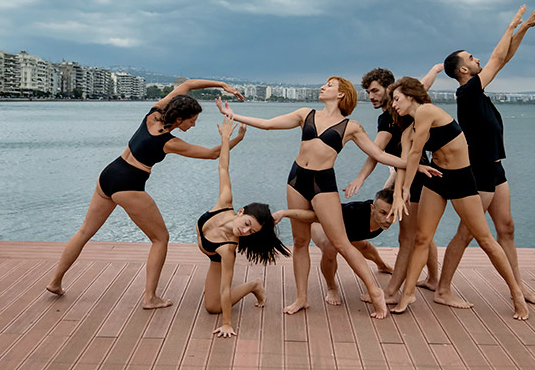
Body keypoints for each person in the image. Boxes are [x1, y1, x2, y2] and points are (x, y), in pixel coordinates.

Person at [216, 76, 407, 318]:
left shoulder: (351, 127)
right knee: (300, 241)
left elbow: (379, 154)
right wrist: (231, 114)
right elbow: (268, 124)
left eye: (329, 85)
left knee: (340, 242)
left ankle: (375, 292)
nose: (322, 87)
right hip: (297, 178)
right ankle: (302, 298)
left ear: (340, 95)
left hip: (323, 183)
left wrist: (413, 165)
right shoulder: (306, 114)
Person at [46, 79, 245, 309]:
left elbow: (188, 84)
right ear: (179, 119)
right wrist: (235, 137)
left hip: (109, 174)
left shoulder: (154, 113)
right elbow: (212, 154)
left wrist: (222, 85)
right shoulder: (168, 142)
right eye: (192, 121)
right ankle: (150, 297)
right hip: (129, 184)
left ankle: (55, 281)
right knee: (160, 239)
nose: (193, 125)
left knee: (84, 232)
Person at [387, 77, 529, 320]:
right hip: (437, 177)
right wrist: (401, 193)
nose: (394, 104)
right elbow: (405, 162)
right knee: (422, 238)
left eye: (397, 99)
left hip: (462, 179)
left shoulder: (427, 111)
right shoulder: (407, 130)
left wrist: (406, 190)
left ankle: (516, 293)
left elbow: (417, 152)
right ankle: (407, 294)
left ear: (411, 96)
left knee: (484, 239)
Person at [435, 2, 535, 309]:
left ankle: (519, 286)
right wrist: (511, 25)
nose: (478, 59)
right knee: (467, 232)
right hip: (479, 171)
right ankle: (443, 289)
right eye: (472, 58)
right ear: (463, 70)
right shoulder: (467, 94)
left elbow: (505, 58)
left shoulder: (477, 92)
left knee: (507, 228)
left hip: (496, 170)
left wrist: (522, 30)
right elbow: (498, 58)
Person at [345, 67, 444, 301]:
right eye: (368, 92)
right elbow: (424, 85)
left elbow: (375, 151)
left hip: (416, 178)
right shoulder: (405, 108)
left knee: (408, 237)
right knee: (423, 233)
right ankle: (432, 279)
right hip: (421, 175)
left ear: (390, 89)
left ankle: (393, 291)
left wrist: (360, 178)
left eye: (375, 91)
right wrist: (435, 70)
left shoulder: (389, 117)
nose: (371, 96)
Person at [197, 117, 291, 338]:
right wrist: (229, 138)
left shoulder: (228, 250)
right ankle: (253, 286)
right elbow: (223, 165)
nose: (245, 232)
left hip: (214, 257)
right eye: (247, 224)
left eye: (251, 232)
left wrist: (227, 323)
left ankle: (253, 285)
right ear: (241, 211)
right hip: (208, 241)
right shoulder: (224, 203)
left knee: (213, 307)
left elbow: (225, 288)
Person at [311, 188, 396, 306]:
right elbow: (320, 216)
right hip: (320, 221)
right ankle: (332, 287)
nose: (388, 219)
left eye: (392, 214)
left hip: (347, 230)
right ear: (373, 209)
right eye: (383, 213)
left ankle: (382, 266)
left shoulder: (387, 209)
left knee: (364, 246)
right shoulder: (353, 212)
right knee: (329, 246)